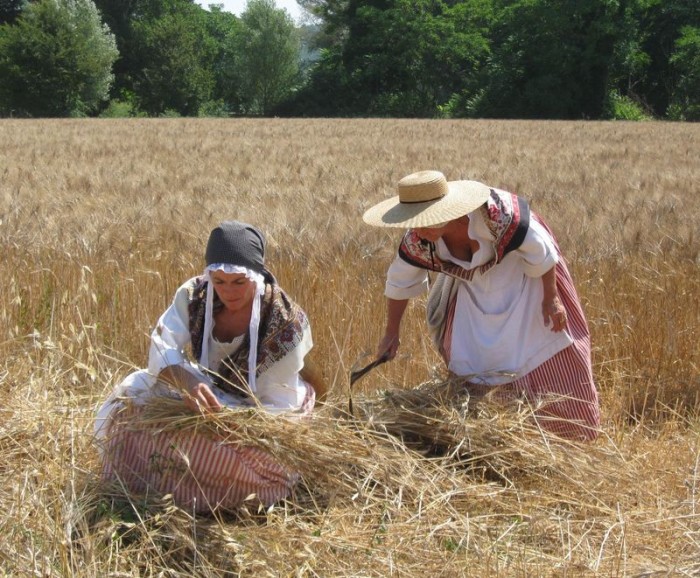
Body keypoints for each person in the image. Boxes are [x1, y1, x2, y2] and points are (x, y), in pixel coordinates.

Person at [95, 220, 323, 512]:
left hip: (267, 412)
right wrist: (188, 384)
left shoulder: (285, 324)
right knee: (129, 403)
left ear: (257, 275)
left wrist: (220, 423)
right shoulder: (195, 295)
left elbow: (274, 412)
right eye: (220, 281)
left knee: (270, 472)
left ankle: (211, 492)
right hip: (212, 395)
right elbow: (162, 348)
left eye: (239, 281)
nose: (229, 291)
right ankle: (154, 484)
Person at [362, 170, 600, 441]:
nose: (418, 230)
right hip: (474, 293)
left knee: (543, 346)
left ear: (447, 211)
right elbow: (399, 281)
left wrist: (551, 298)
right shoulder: (419, 239)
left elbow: (541, 252)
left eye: (425, 221)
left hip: (527, 280)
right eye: (414, 222)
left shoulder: (498, 216)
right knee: (476, 360)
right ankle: (501, 441)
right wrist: (392, 332)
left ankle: (569, 440)